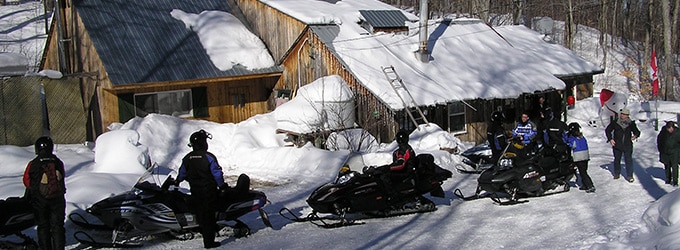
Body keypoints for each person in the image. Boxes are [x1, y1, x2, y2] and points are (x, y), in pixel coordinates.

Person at [175, 130, 224, 249]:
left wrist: (177, 181)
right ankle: (209, 242)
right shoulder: (208, 157)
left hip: (195, 191)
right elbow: (217, 174)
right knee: (208, 217)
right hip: (209, 191)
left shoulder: (187, 158)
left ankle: (204, 232)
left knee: (201, 213)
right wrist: (222, 185)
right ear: (203, 143)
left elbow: (182, 172)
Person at [23, 136, 66, 250]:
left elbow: (26, 181)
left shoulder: (33, 163)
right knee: (58, 227)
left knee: (43, 227)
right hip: (58, 199)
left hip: (39, 201)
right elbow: (62, 177)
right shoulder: (57, 162)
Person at [364, 130, 416, 197]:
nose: (400, 141)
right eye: (399, 139)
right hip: (402, 171)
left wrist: (387, 168)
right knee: (380, 175)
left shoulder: (405, 150)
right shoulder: (398, 151)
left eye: (401, 139)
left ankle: (393, 196)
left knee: (385, 177)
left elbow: (401, 164)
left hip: (405, 172)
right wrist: (381, 168)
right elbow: (397, 164)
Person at [604, 108, 641, 183]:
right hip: (617, 144)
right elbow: (608, 130)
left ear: (627, 116)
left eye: (624, 114)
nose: (622, 116)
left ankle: (630, 175)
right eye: (622, 114)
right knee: (617, 160)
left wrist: (635, 136)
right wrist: (610, 139)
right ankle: (617, 173)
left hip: (627, 145)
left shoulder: (631, 123)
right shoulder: (615, 122)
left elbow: (637, 131)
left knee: (628, 160)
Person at [566, 123, 595, 193]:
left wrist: (567, 142)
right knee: (584, 171)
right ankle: (585, 185)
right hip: (585, 157)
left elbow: (572, 145)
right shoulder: (582, 137)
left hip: (579, 158)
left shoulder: (573, 138)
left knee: (583, 173)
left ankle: (590, 185)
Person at [664, 122, 680, 187]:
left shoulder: (678, 133)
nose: (669, 130)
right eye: (668, 128)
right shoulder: (664, 132)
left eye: (670, 128)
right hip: (666, 151)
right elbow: (660, 140)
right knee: (667, 165)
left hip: (675, 151)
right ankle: (668, 178)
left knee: (674, 166)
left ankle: (675, 181)